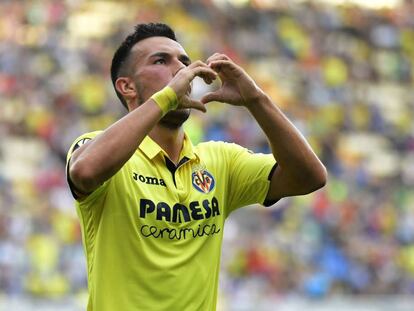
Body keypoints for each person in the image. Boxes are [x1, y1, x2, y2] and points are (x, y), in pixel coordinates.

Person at [66, 23, 327, 311]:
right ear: (127, 86)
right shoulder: (95, 147)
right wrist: (166, 98)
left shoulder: (220, 161)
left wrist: (256, 100)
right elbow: (85, 172)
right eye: (161, 61)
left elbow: (310, 177)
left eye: (185, 62)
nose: (181, 69)